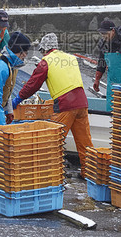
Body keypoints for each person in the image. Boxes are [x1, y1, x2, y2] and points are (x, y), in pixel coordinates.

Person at [12, 33, 93, 177]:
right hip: (82, 103)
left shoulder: (46, 62)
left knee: (54, 140)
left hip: (65, 105)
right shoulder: (70, 58)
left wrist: (19, 97)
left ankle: (54, 172)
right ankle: (90, 173)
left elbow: (32, 84)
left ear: (44, 49)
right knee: (84, 142)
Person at [92, 20, 121, 110]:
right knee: (111, 105)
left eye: (105, 34)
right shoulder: (103, 43)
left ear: (113, 31)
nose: (103, 36)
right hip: (112, 81)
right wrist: (97, 79)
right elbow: (101, 63)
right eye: (102, 34)